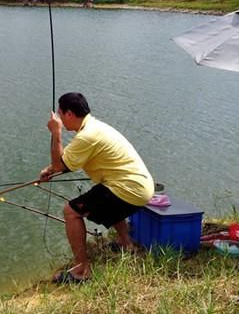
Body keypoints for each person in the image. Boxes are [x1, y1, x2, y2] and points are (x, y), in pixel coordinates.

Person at [40, 92, 154, 283]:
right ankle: (127, 245)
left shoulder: (86, 136)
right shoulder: (94, 127)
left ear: (69, 114)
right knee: (104, 193)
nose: (58, 119)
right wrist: (50, 169)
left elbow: (62, 165)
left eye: (60, 114)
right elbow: (67, 161)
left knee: (71, 211)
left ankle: (81, 270)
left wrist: (56, 133)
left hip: (128, 189)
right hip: (140, 187)